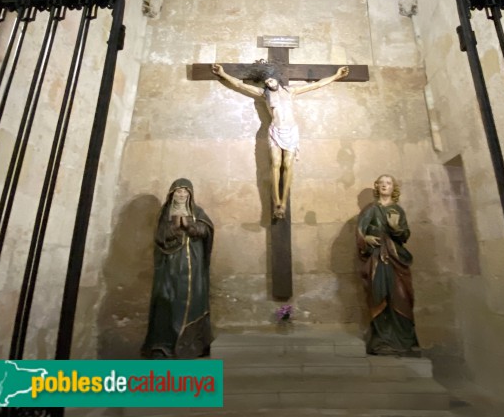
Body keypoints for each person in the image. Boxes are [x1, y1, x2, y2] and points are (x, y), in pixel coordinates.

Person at [212, 61, 349, 219]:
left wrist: (336, 76)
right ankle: (276, 201)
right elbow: (239, 85)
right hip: (275, 131)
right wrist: (222, 74)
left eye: (271, 80)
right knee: (276, 164)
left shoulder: (290, 91)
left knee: (288, 164)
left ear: (276, 78)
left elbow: (316, 85)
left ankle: (284, 202)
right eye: (266, 82)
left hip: (291, 131)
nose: (269, 83)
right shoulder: (264, 94)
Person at [142, 178, 214, 359]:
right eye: (178, 192)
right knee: (168, 301)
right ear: (172, 194)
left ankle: (193, 344)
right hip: (170, 266)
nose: (181, 195)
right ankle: (164, 345)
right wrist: (174, 228)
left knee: (194, 300)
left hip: (194, 266)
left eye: (185, 192)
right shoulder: (165, 213)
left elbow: (207, 230)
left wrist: (191, 227)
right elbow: (160, 236)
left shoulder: (197, 212)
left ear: (190, 195)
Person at [356, 174, 419, 355]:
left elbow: (405, 235)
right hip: (377, 258)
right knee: (378, 296)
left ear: (393, 188)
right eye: (381, 183)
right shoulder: (370, 210)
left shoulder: (397, 210)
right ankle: (382, 340)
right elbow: (359, 233)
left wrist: (396, 228)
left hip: (396, 259)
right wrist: (367, 239)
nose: (385, 185)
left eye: (388, 183)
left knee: (401, 296)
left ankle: (404, 340)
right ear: (377, 186)